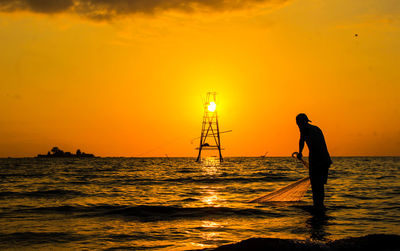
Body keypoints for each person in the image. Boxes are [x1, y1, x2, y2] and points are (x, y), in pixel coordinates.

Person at [296, 113, 332, 210]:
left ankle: (317, 207)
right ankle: (320, 207)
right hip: (325, 160)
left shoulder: (305, 129)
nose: (298, 126)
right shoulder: (316, 128)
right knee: (320, 185)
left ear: (301, 123)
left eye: (298, 124)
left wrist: (300, 152)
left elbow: (301, 140)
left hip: (317, 160)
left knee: (316, 185)